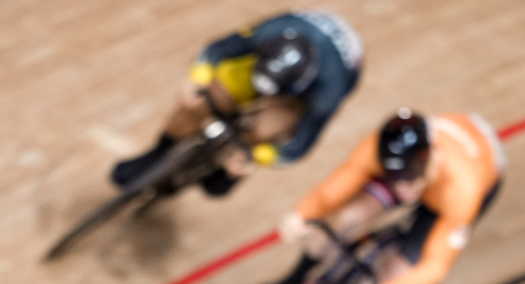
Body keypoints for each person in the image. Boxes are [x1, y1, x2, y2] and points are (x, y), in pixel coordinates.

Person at [257, 108, 505, 284]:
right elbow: (335, 189)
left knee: (395, 273)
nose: (403, 189)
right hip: (436, 154)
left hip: (474, 176)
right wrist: (303, 214)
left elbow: (435, 268)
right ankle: (294, 279)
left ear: (431, 157)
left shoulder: (462, 191)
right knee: (347, 218)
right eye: (394, 177)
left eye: (411, 177)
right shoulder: (377, 149)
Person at [110, 10, 364, 197]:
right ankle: (157, 153)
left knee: (265, 130)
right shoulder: (273, 31)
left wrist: (257, 156)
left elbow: (299, 147)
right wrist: (197, 81)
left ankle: (228, 170)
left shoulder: (328, 93)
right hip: (273, 63)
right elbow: (217, 50)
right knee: (203, 100)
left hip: (309, 89)